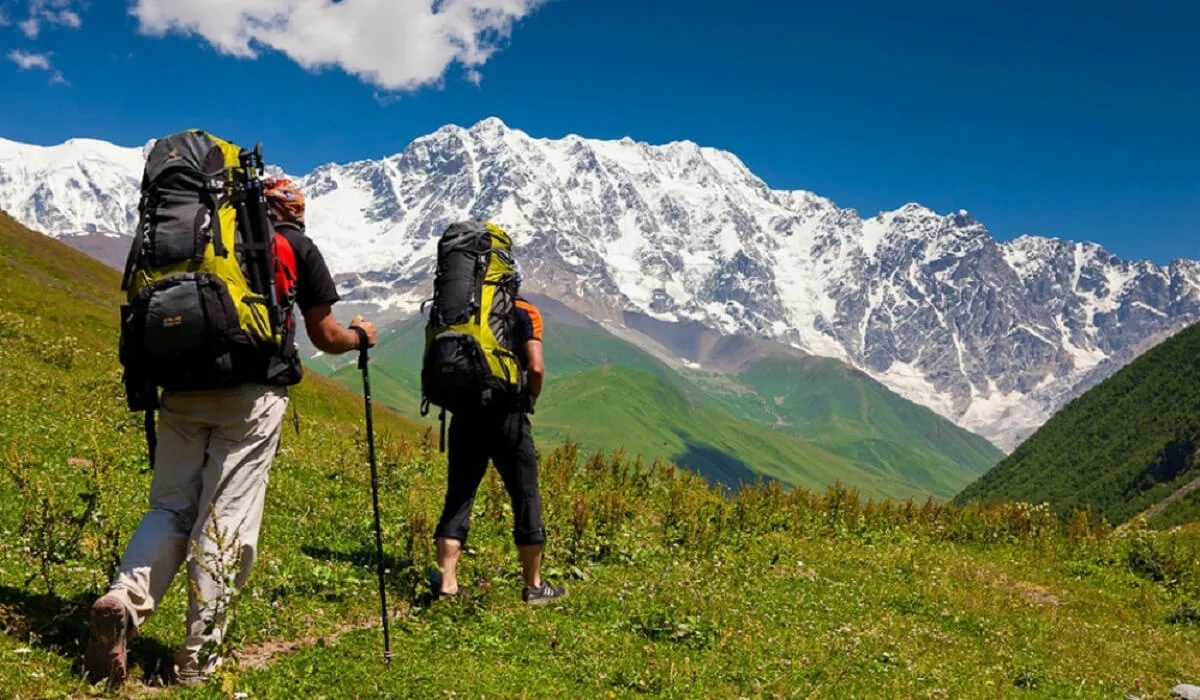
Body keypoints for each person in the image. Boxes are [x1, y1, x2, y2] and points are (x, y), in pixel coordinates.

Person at [85, 177, 378, 687]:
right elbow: (325, 335)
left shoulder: (196, 240)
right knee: (225, 522)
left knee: (170, 508)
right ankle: (198, 659)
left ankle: (122, 602)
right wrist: (359, 337)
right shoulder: (293, 244)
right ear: (295, 211)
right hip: (250, 395)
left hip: (179, 389)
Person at [432, 263, 566, 605]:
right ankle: (533, 586)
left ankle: (448, 584)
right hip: (508, 414)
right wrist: (529, 399)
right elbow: (535, 367)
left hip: (465, 412)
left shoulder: (460, 313)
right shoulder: (524, 312)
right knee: (525, 496)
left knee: (459, 496)